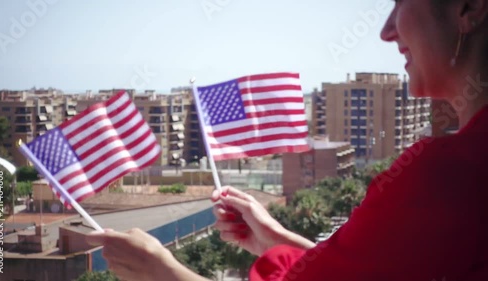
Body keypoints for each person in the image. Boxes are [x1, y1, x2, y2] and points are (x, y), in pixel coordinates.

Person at [86, 0, 488, 279]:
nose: (386, 30)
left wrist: (160, 269)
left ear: (469, 7)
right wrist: (274, 240)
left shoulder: (452, 175)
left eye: (400, 2)